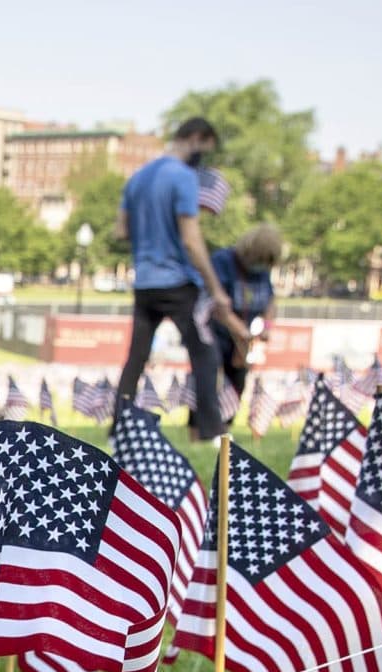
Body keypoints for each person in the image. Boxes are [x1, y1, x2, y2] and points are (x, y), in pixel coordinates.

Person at [112, 117, 249, 439]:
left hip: (144, 282)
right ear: (196, 138)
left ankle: (118, 428)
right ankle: (212, 431)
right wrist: (217, 289)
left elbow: (120, 230)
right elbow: (191, 239)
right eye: (205, 148)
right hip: (178, 282)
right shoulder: (184, 178)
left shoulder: (137, 178)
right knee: (205, 354)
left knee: (136, 359)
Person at [208, 224, 282, 408]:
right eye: (259, 259)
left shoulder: (262, 271)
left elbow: (270, 301)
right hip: (215, 336)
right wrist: (240, 329)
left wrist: (266, 327)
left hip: (241, 345)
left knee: (235, 392)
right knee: (209, 387)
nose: (260, 265)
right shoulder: (222, 262)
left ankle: (224, 435)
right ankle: (203, 434)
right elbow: (215, 302)